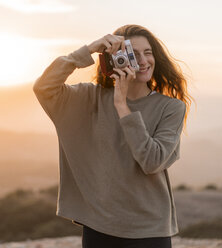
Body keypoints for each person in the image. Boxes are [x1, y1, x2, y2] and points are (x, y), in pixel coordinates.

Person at [33, 24, 194, 248]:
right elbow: (44, 88)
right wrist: (87, 50)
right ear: (114, 60)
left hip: (148, 230)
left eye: (148, 53)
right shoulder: (90, 98)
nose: (143, 60)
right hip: (99, 227)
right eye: (133, 54)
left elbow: (153, 161)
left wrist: (122, 105)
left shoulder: (170, 108)